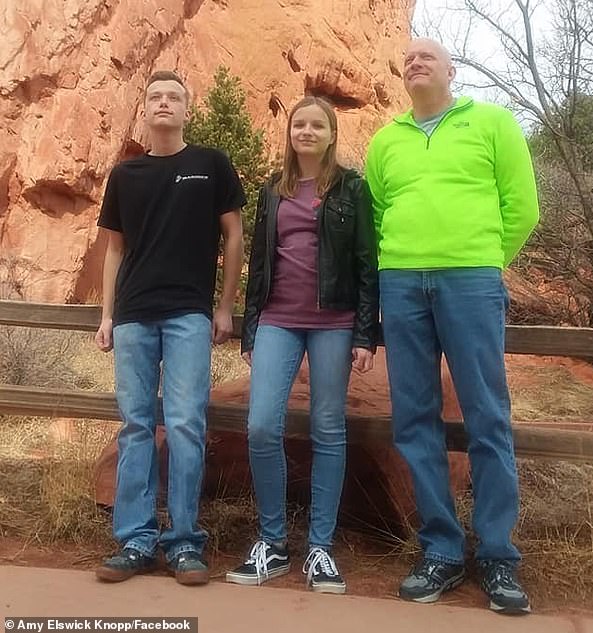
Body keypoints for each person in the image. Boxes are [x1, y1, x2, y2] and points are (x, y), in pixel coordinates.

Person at [365, 38, 539, 614]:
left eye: (427, 56)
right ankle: (440, 548)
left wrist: (485, 260)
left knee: (487, 414)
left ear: (450, 70)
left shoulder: (492, 122)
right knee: (414, 419)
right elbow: (378, 215)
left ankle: (497, 556)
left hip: (471, 282)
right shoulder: (386, 141)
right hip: (402, 285)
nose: (415, 62)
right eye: (407, 58)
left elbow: (523, 207)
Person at [94, 70, 245, 586]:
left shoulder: (210, 165)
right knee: (136, 425)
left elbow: (234, 238)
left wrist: (224, 306)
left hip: (188, 314)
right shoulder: (125, 175)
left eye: (173, 96)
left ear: (187, 107)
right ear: (146, 108)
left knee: (185, 424)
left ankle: (184, 542)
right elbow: (114, 251)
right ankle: (135, 541)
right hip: (134, 316)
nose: (164, 103)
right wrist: (107, 315)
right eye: (155, 96)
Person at [225, 96, 379, 594]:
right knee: (261, 425)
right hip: (277, 320)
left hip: (333, 323)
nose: (307, 131)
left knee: (328, 428)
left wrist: (364, 333)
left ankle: (319, 549)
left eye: (318, 125)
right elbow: (260, 262)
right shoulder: (273, 189)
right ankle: (272, 543)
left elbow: (364, 262)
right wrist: (252, 327)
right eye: (299, 124)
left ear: (332, 134)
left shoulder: (352, 187)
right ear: (289, 132)